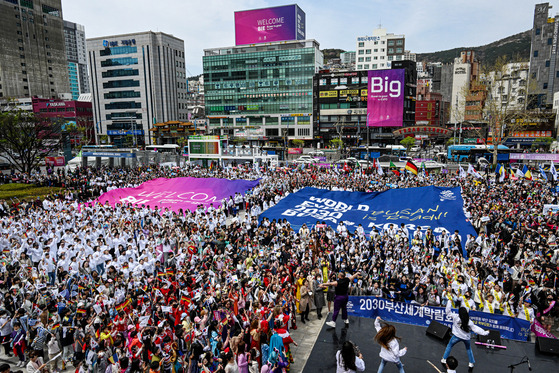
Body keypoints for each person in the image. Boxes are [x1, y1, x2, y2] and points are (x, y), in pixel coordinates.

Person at [441, 301, 489, 372]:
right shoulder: (469, 322)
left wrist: (449, 302)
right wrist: (486, 332)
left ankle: (444, 359)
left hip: (456, 336)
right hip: (466, 338)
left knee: (449, 345)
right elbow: (476, 329)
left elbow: (448, 312)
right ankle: (471, 363)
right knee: (468, 349)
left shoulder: (456, 317)